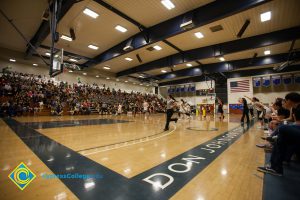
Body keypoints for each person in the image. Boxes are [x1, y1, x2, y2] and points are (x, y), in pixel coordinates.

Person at [257, 95, 300, 176]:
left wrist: (288, 124)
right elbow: (293, 120)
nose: (284, 103)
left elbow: (296, 122)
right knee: (282, 135)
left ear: (290, 100)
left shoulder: (297, 108)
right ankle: (276, 166)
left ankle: (276, 167)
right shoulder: (295, 108)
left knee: (282, 128)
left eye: (286, 101)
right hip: (296, 127)